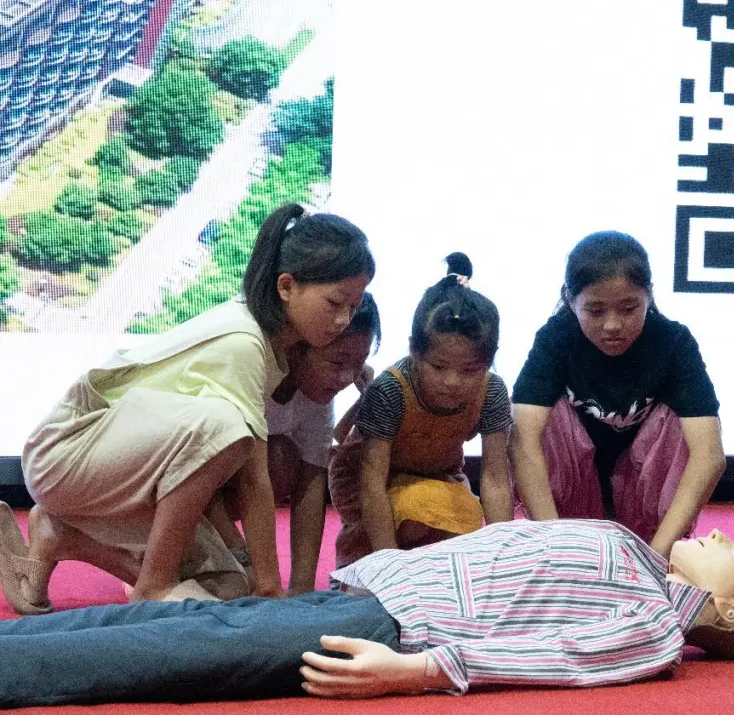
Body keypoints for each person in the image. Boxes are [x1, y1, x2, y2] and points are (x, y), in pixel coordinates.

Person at [0, 203, 376, 612]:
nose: (343, 320)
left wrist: (269, 583)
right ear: (286, 287)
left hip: (116, 468)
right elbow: (253, 480)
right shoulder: (244, 342)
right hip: (65, 454)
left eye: (353, 307)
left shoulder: (279, 348)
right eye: (334, 303)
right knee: (226, 426)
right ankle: (154, 583)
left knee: (229, 588)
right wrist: (270, 590)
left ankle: (59, 536)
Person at [0, 519, 734, 707]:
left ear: (724, 606)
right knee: (173, 626)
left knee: (195, 645)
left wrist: (421, 671)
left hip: (397, 630)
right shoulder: (641, 559)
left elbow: (563, 656)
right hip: (385, 594)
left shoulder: (656, 623)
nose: (718, 534)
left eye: (733, 552)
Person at [510, 232, 725, 558]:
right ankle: (562, 543)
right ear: (571, 300)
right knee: (528, 421)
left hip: (643, 501)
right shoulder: (556, 338)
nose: (612, 326)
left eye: (628, 308)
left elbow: (709, 455)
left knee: (689, 424)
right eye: (595, 311)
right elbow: (523, 442)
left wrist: (657, 557)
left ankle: (655, 545)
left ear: (649, 295)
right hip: (573, 504)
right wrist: (554, 545)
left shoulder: (673, 342)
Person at [328, 253, 512, 567]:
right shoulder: (391, 389)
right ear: (414, 350)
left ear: (489, 359)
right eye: (438, 367)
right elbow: (372, 484)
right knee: (412, 514)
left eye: (469, 370)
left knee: (455, 526)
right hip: (366, 479)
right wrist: (390, 567)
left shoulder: (492, 391)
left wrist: (503, 556)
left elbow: (495, 478)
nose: (452, 382)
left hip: (438, 475)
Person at [207, 293, 381, 594]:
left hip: (212, 492)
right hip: (171, 487)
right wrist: (248, 564)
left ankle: (202, 552)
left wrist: (302, 589)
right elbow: (203, 480)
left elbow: (312, 485)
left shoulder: (317, 394)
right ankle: (164, 553)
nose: (346, 378)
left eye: (358, 365)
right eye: (337, 362)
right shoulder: (250, 369)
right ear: (298, 347)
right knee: (237, 587)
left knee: (280, 458)